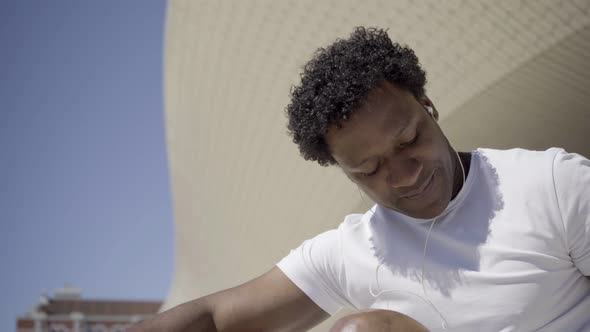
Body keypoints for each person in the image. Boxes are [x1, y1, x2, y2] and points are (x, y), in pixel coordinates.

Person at [130, 27, 590, 331]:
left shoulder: (551, 184)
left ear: (427, 106)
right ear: (344, 172)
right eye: (369, 170)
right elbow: (214, 319)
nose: (405, 174)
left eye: (409, 139)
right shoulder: (351, 251)